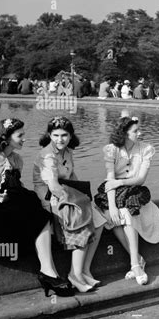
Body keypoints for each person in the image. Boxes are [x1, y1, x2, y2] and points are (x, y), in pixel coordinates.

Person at [0, 118, 75, 297]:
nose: (24, 139)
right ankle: (49, 273)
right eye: (20, 135)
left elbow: (14, 186)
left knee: (35, 207)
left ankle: (48, 271)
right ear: (6, 137)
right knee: (31, 208)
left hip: (6, 203)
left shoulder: (16, 159)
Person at [33, 117, 106, 292]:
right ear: (49, 135)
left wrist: (84, 197)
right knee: (82, 220)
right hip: (51, 199)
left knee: (100, 220)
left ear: (70, 135)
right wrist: (78, 203)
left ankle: (83, 270)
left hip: (67, 194)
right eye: (55, 135)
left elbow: (72, 177)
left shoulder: (67, 151)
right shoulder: (47, 156)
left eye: (64, 135)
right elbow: (54, 186)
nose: (60, 140)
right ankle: (75, 276)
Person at [94, 116, 159, 285]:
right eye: (135, 131)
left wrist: (121, 182)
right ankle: (138, 260)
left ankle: (135, 265)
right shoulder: (111, 150)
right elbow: (110, 179)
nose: (139, 133)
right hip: (114, 190)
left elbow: (140, 179)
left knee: (126, 212)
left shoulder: (146, 149)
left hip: (133, 189)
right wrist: (111, 206)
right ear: (124, 134)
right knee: (115, 217)